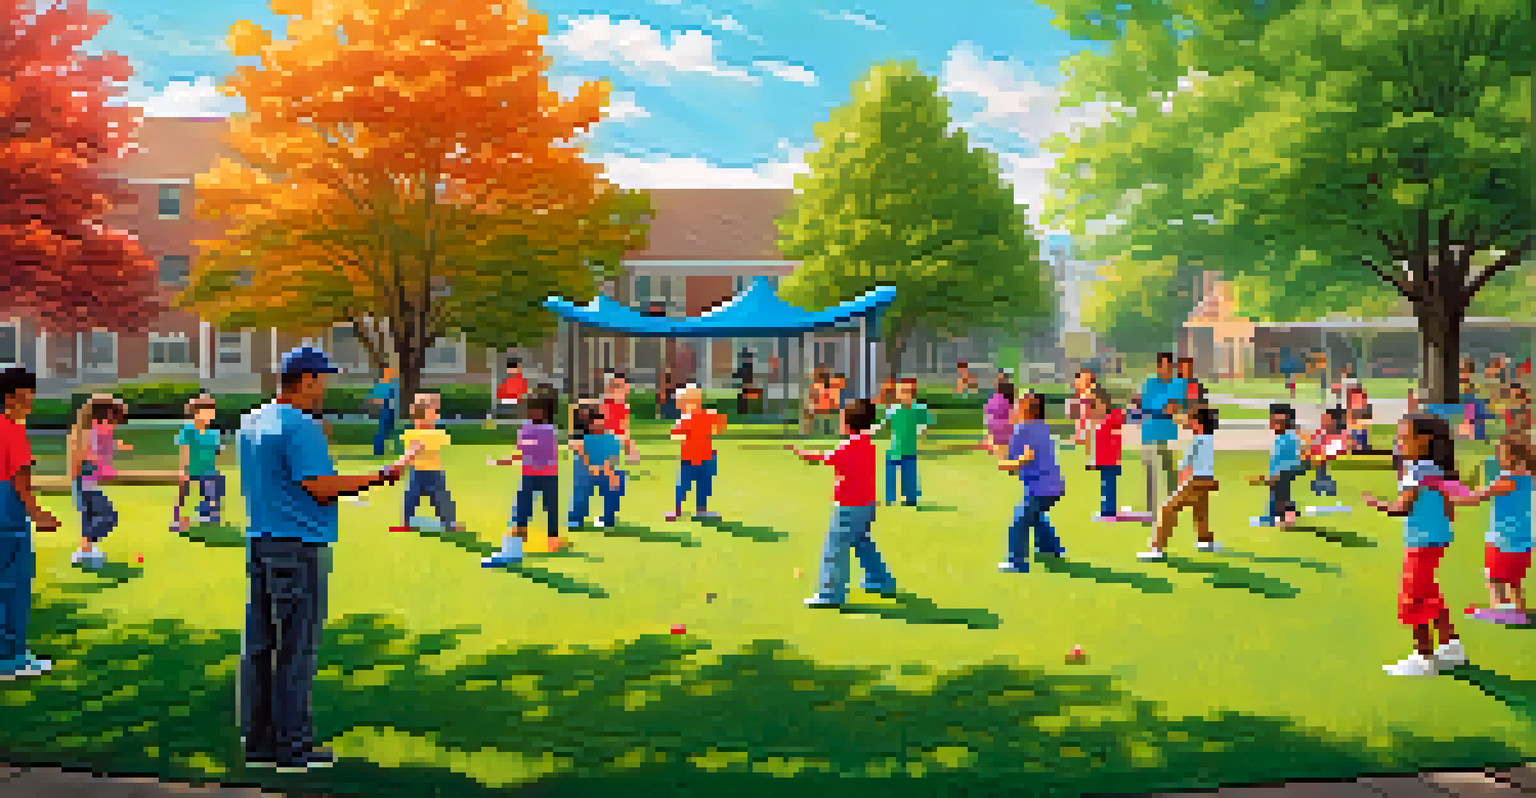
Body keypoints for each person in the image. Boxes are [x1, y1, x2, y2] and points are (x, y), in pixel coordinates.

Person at [238, 347, 405, 770]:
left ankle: (258, 743)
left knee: (259, 647)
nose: (326, 386)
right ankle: (294, 748)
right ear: (307, 379)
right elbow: (321, 487)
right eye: (323, 378)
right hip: (298, 547)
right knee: (296, 649)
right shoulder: (301, 425)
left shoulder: (252, 420)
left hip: (260, 542)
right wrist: (381, 475)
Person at [1364, 415, 1467, 677]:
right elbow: (1448, 507)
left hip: (1420, 541)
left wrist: (1377, 504)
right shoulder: (1436, 468)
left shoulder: (1418, 470)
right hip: (1436, 539)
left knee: (1413, 598)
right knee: (1429, 592)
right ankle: (1451, 646)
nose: (1399, 443)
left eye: (1403, 438)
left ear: (1424, 440)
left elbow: (1402, 507)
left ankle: (1423, 659)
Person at [794, 398, 895, 607]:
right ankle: (880, 580)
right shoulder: (867, 443)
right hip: (867, 506)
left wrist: (804, 454)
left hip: (849, 507)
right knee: (862, 543)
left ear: (848, 423)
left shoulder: (847, 446)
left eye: (842, 418)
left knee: (834, 548)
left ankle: (830, 594)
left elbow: (826, 458)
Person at [0, 368, 60, 679]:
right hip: (8, 512)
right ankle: (11, 659)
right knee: (14, 583)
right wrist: (37, 514)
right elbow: (20, 479)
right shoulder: (13, 430)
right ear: (10, 398)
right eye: (25, 396)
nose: (30, 402)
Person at [1452, 433, 1532, 625]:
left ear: (1512, 455)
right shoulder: (1528, 476)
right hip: (1521, 539)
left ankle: (1502, 613)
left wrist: (1449, 495)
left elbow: (1475, 497)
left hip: (1504, 539)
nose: (1498, 456)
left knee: (1494, 578)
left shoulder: (1508, 480)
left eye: (1501, 452)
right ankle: (1516, 612)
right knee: (1512, 581)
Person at [484, 388, 563, 565]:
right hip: (529, 475)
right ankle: (519, 536)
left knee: (551, 507)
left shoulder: (549, 430)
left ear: (547, 412)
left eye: (539, 409)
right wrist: (501, 461)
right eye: (532, 409)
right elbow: (521, 452)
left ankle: (553, 540)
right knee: (522, 506)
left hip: (549, 476)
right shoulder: (525, 428)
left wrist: (529, 448)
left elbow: (543, 455)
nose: (535, 413)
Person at [1140, 406, 1221, 560]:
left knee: (1167, 510)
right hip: (1205, 481)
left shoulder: (1199, 442)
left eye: (1191, 419)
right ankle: (1206, 541)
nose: (1187, 422)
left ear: (1199, 423)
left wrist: (1180, 484)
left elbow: (1187, 467)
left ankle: (1156, 549)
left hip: (1194, 481)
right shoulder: (1208, 439)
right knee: (1201, 512)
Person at [997, 392, 1066, 573]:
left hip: (1040, 488)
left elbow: (1024, 458)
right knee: (1036, 516)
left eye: (1019, 403)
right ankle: (1051, 548)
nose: (1015, 406)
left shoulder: (1023, 429)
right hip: (1056, 487)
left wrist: (1004, 463)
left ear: (1028, 410)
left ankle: (1016, 562)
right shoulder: (1041, 427)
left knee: (1019, 521)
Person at [67, 394, 130, 567]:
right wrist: (101, 464)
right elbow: (85, 458)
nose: (114, 425)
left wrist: (114, 445)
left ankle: (85, 552)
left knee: (90, 518)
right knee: (108, 516)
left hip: (85, 483)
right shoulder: (87, 434)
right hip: (84, 484)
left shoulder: (90, 433)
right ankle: (84, 551)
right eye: (112, 420)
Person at [393, 393, 464, 534]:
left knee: (442, 499)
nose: (436, 416)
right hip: (417, 473)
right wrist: (400, 464)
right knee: (410, 498)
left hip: (434, 473)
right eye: (433, 413)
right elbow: (410, 453)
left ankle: (450, 523)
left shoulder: (433, 434)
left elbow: (411, 453)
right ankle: (406, 523)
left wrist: (399, 464)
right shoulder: (416, 434)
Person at [667, 385, 727, 522]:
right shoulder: (684, 419)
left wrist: (714, 422)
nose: (680, 405)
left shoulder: (707, 415)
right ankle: (677, 510)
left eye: (682, 402)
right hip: (688, 459)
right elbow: (675, 435)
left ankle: (701, 510)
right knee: (682, 486)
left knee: (704, 486)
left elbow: (719, 428)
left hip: (706, 458)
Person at [1137, 352, 1185, 523]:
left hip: (1167, 435)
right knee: (1151, 474)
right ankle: (1151, 512)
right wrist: (1162, 409)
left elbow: (1175, 408)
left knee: (1170, 473)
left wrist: (1161, 410)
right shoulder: (1149, 384)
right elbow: (1144, 407)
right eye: (1162, 366)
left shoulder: (1177, 384)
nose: (1165, 370)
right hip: (1149, 433)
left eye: (1168, 366)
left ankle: (1172, 509)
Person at [174, 394, 225, 531]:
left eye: (212, 412)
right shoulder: (188, 431)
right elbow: (184, 451)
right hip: (192, 470)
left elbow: (216, 454)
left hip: (208, 471)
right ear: (196, 413)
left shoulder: (213, 433)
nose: (211, 415)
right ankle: (178, 519)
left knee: (217, 479)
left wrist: (218, 450)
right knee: (184, 493)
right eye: (207, 411)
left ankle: (209, 513)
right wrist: (183, 471)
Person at [569, 405, 625, 529]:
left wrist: (610, 474)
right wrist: (591, 468)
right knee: (581, 486)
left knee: (618, 480)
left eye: (600, 422)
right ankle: (576, 518)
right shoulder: (583, 439)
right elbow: (581, 455)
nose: (598, 425)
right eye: (594, 423)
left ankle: (608, 519)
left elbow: (612, 459)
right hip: (586, 471)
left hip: (604, 471)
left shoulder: (612, 438)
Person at [1250, 403, 1304, 529]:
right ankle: (1280, 516)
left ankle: (1281, 518)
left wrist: (1276, 476)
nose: (1272, 423)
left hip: (1283, 473)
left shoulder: (1287, 439)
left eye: (1276, 420)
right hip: (1282, 472)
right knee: (1279, 495)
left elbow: (1286, 461)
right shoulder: (1285, 437)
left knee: (1280, 496)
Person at [882, 378, 934, 508]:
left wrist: (921, 432)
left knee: (910, 475)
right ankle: (890, 498)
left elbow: (925, 424)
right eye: (901, 391)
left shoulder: (919, 409)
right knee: (891, 475)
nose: (903, 394)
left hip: (910, 449)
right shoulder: (893, 409)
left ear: (912, 392)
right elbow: (883, 424)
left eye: (906, 391)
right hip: (894, 449)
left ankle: (910, 498)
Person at [1082, 389, 1127, 522]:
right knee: (1105, 485)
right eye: (1093, 404)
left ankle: (1109, 510)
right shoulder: (1098, 421)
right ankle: (1106, 509)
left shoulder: (1112, 417)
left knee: (1109, 485)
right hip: (1102, 460)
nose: (1095, 407)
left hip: (1112, 460)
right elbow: (1095, 443)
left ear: (1105, 403)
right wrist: (1092, 460)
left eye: (1096, 403)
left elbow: (1122, 419)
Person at [1307, 407, 1351, 498]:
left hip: (1325, 460)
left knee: (1322, 468)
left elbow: (1336, 451)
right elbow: (1312, 446)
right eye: (1324, 419)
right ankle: (1320, 486)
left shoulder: (1340, 437)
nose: (1323, 422)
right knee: (1320, 470)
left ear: (1335, 422)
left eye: (1326, 419)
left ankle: (1325, 486)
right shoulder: (1320, 434)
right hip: (1319, 460)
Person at [601, 371, 639, 465]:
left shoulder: (623, 406)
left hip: (617, 434)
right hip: (608, 434)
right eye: (616, 387)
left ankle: (629, 456)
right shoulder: (607, 404)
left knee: (626, 439)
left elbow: (624, 426)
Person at [367, 367, 400, 456]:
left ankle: (397, 450)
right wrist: (381, 401)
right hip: (385, 409)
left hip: (392, 410)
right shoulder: (382, 384)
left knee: (393, 431)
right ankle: (378, 450)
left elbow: (396, 399)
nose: (391, 375)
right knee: (382, 431)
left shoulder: (394, 385)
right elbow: (374, 398)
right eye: (389, 373)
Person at [984, 373, 1016, 451]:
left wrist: (989, 437)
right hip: (1008, 434)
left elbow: (988, 419)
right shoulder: (1011, 403)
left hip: (997, 435)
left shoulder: (993, 400)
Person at [496, 357, 529, 425]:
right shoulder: (505, 380)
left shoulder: (521, 380)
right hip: (506, 403)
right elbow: (500, 393)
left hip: (516, 404)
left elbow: (522, 394)